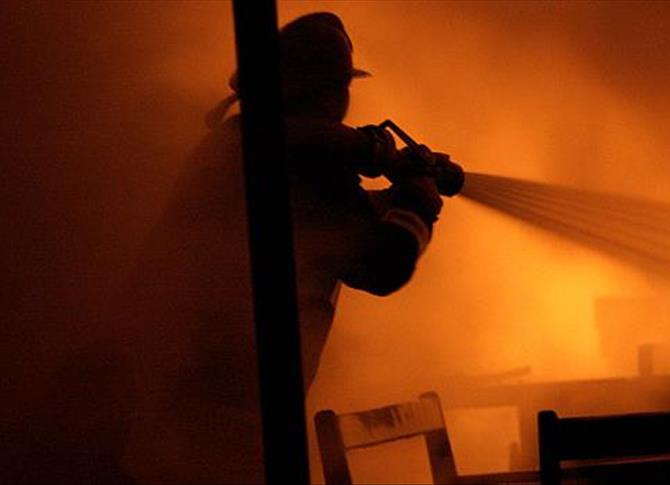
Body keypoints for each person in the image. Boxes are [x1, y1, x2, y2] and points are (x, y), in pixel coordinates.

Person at [120, 12, 452, 483]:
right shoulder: (301, 163)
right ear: (329, 92)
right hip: (227, 432)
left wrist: (388, 191)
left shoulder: (236, 146)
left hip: (171, 421)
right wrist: (418, 204)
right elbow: (381, 266)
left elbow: (324, 221)